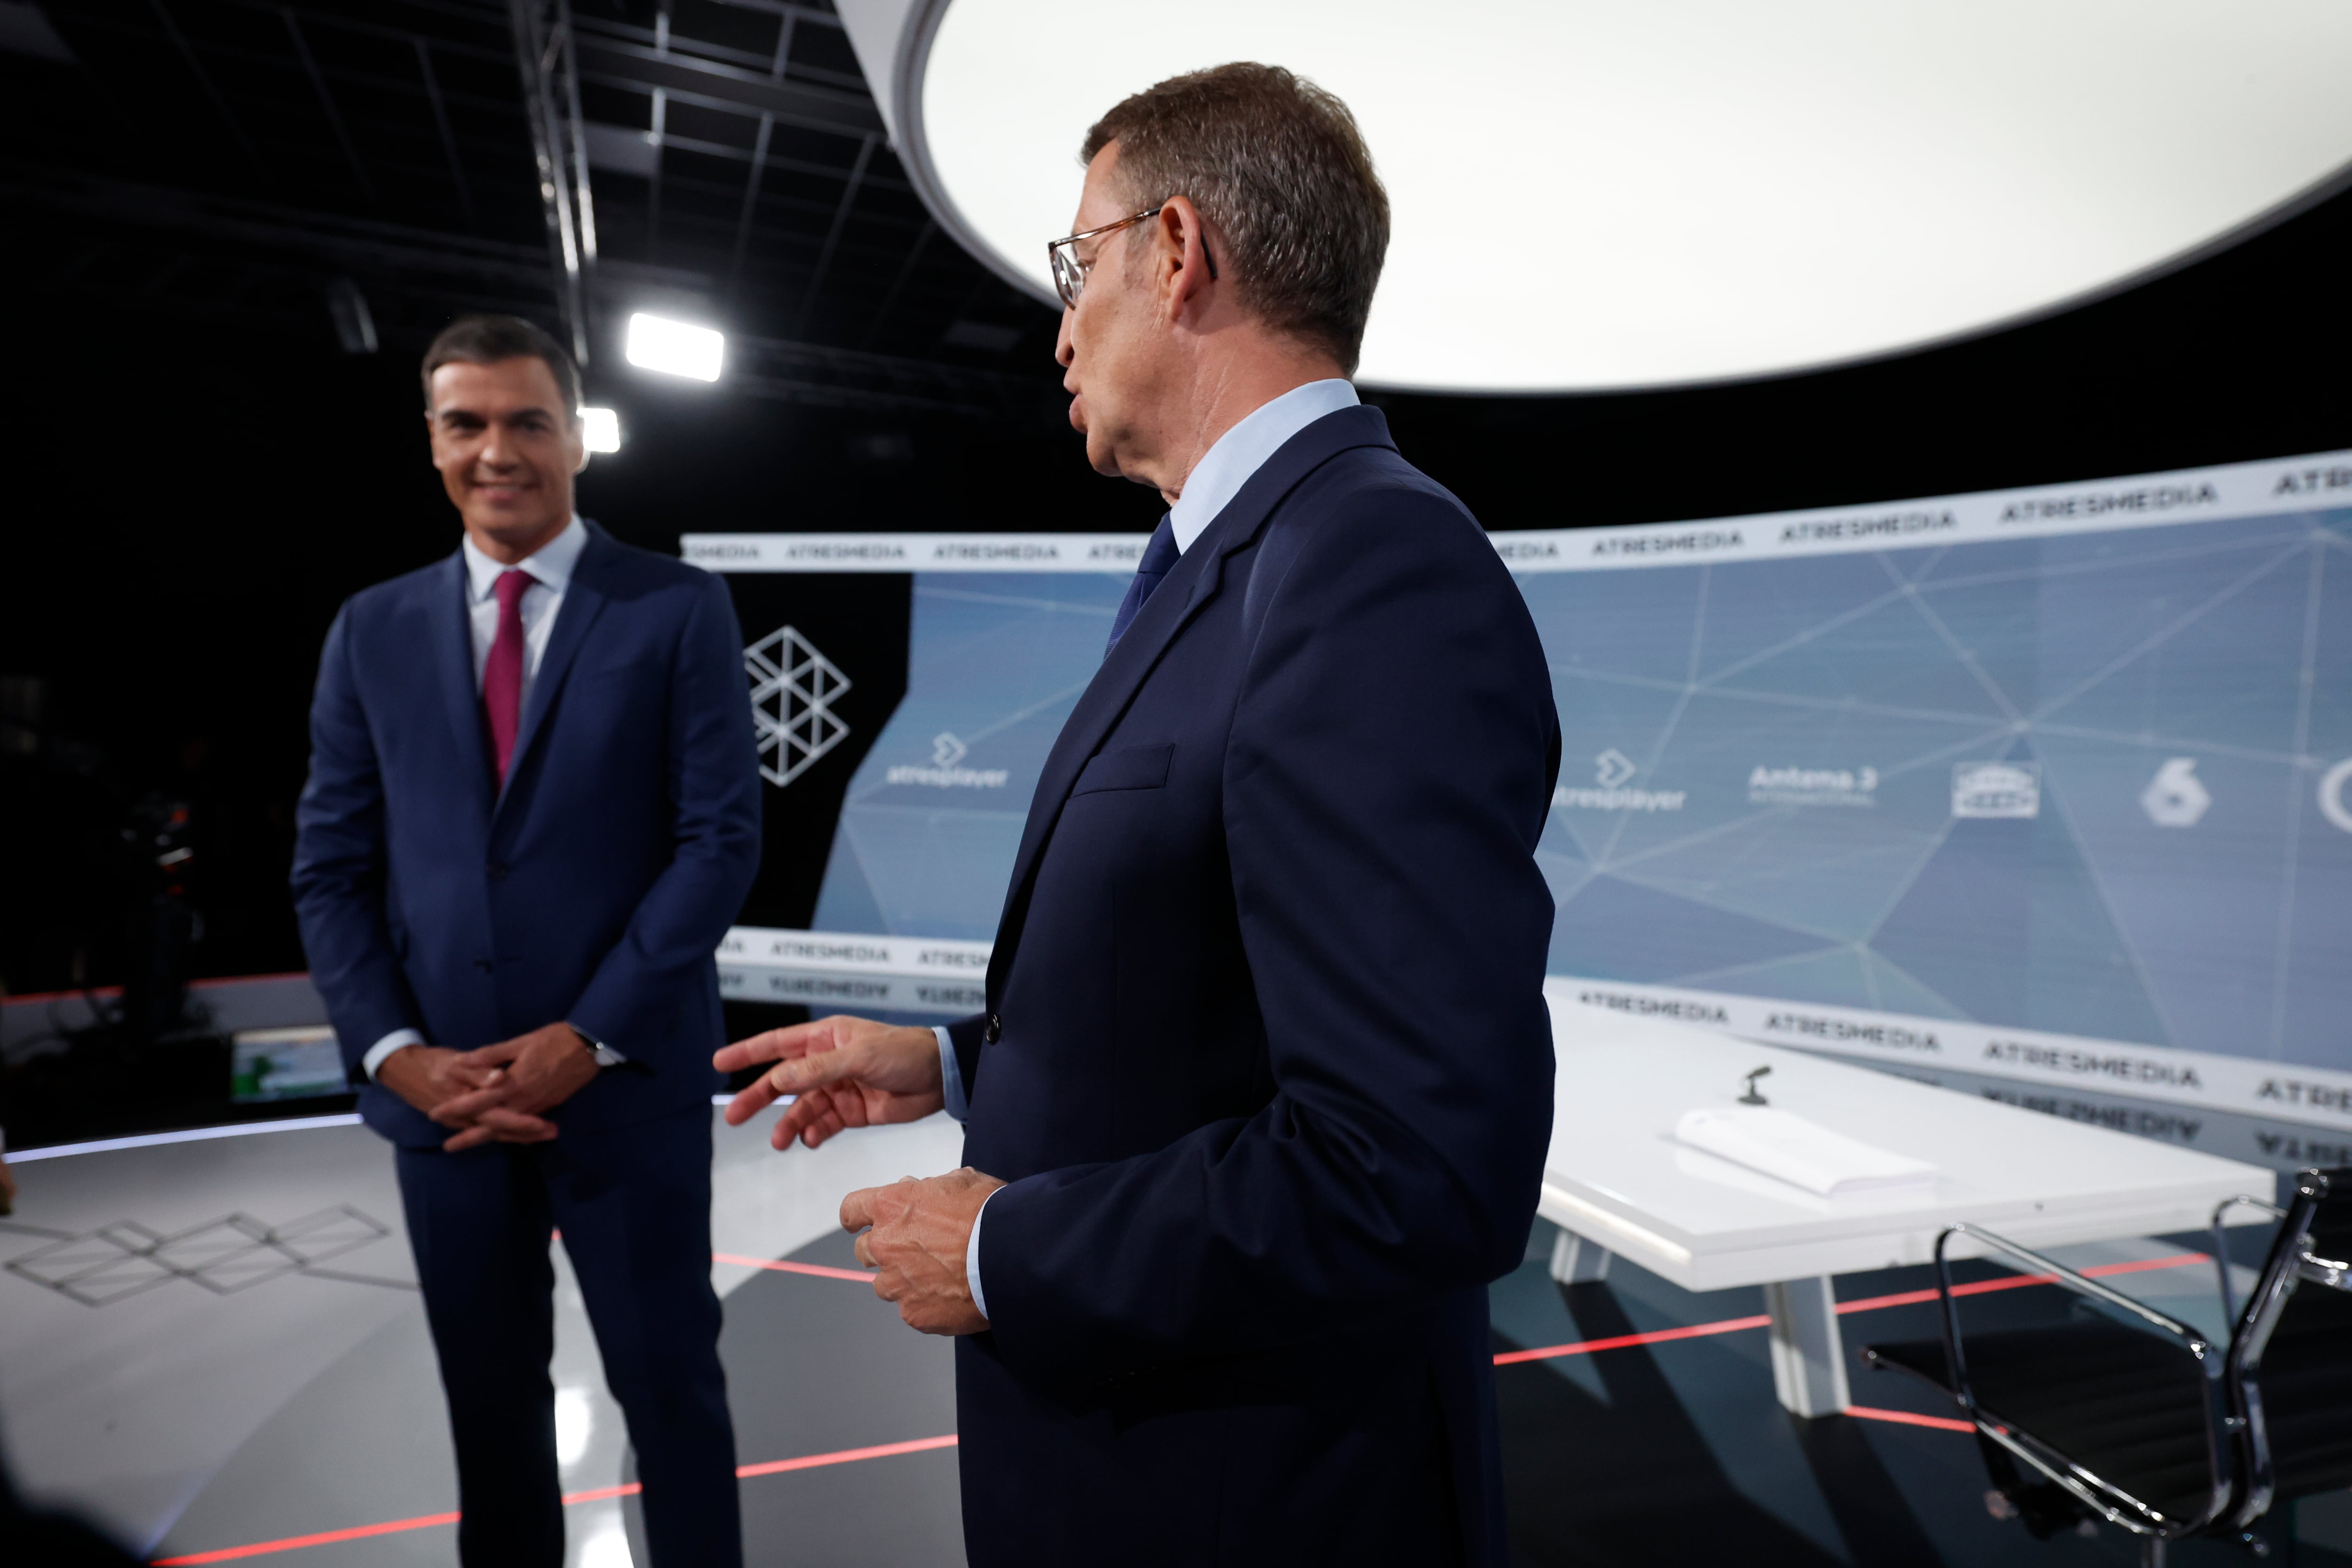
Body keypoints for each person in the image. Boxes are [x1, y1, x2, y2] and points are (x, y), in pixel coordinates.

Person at [718, 64, 1560, 1568]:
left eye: (1075, 264)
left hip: (1248, 1500)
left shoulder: (1370, 571)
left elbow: (1414, 1166)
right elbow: (1206, 999)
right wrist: (961, 1062)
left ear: (1176, 254)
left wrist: (1000, 1244)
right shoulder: (1238, 563)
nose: (1058, 328)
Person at [292, 315, 760, 1568]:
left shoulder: (676, 611)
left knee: (673, 1404)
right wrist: (400, 1056)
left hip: (624, 1097)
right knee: (489, 1425)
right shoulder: (370, 631)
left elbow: (716, 847)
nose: (498, 450)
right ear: (435, 441)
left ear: (577, 438)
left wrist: (585, 1037)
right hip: (443, 1111)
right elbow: (330, 872)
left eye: (527, 421)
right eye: (467, 423)